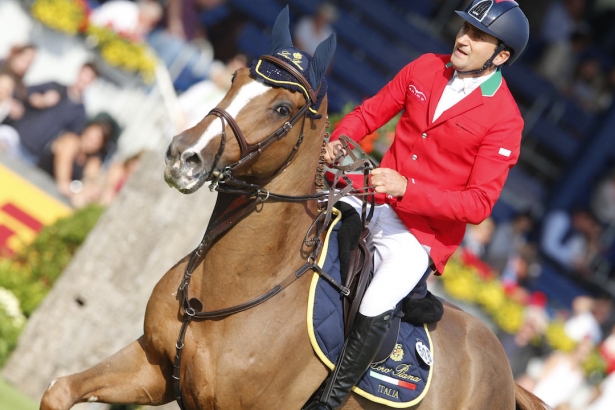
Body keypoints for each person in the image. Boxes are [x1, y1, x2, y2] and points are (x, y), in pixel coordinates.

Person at [305, 1, 529, 408]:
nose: (463, 38)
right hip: (369, 195)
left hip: (419, 234)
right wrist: (342, 138)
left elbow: (478, 204)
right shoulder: (426, 66)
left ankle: (329, 400)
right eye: (464, 28)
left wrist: (408, 189)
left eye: (478, 36)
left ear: (501, 56)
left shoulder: (506, 120)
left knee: (376, 300)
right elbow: (370, 113)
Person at [11, 62, 98, 165]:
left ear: (92, 81)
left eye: (89, 77)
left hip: (34, 156)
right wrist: (41, 100)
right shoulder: (55, 86)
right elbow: (24, 92)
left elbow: (71, 139)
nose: (84, 79)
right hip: (15, 138)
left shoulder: (80, 113)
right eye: (84, 73)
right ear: (79, 72)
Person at [36, 112, 119, 202]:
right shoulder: (70, 141)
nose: (92, 141)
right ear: (85, 130)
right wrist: (75, 193)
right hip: (34, 183)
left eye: (97, 140)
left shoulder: (93, 161)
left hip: (52, 198)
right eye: (91, 136)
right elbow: (63, 182)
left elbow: (91, 182)